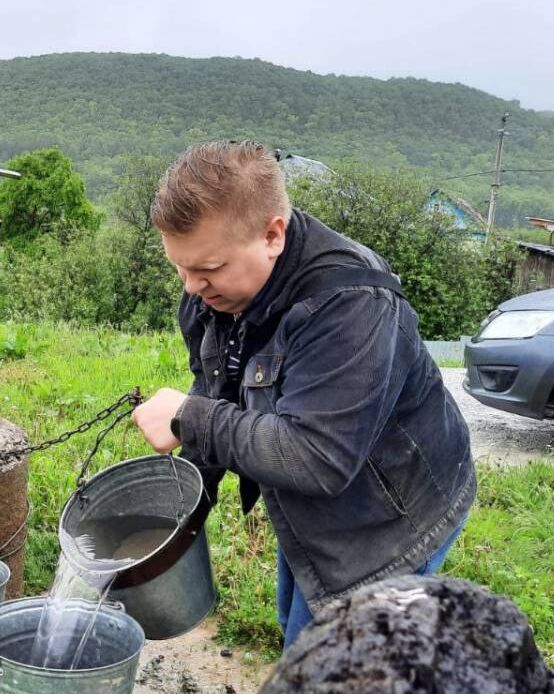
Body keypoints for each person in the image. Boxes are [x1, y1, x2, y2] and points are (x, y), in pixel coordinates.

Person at [131, 140, 475, 650]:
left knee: (331, 676)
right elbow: (216, 386)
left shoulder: (351, 304)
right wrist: (181, 518)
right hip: (311, 517)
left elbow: (319, 458)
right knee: (301, 619)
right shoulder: (213, 294)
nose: (191, 285)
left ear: (272, 235)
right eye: (179, 267)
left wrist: (189, 418)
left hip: (389, 522)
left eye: (207, 267)